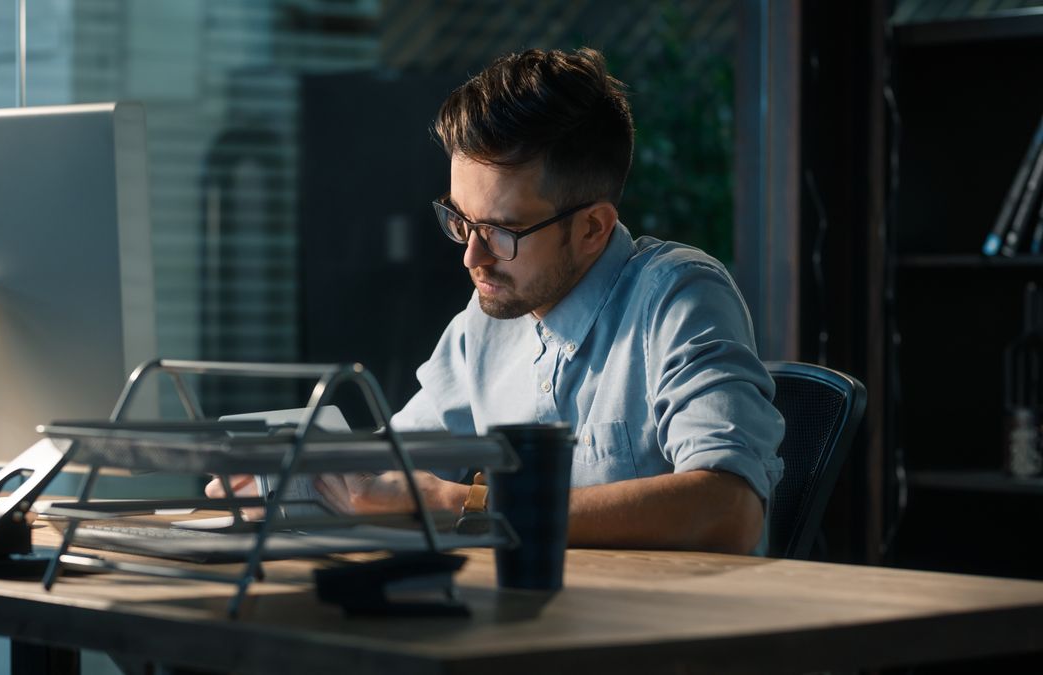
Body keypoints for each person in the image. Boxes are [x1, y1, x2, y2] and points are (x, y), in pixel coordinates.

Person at [210, 47, 784, 555]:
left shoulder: (678, 298)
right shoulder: (483, 325)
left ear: (592, 228)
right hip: (528, 628)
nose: (472, 257)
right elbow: (403, 475)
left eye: (502, 231)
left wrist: (466, 503)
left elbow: (729, 509)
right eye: (460, 221)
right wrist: (298, 482)